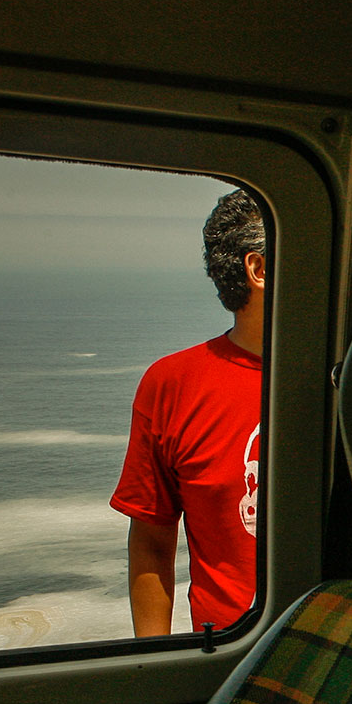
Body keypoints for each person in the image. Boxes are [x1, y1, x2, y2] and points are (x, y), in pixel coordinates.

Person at [111, 188, 265, 636]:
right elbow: (152, 541)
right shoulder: (175, 384)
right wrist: (153, 665)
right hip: (234, 658)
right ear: (258, 269)